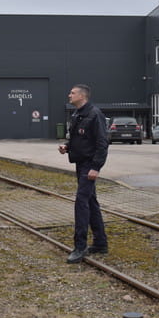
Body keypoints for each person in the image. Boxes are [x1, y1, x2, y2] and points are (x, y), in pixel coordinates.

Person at [58, 84, 109, 263]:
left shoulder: (95, 114)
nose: (69, 95)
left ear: (82, 96)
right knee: (91, 202)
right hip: (80, 163)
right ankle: (100, 243)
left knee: (81, 202)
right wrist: (67, 146)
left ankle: (80, 247)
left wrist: (96, 167)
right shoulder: (77, 114)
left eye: (72, 93)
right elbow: (78, 139)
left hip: (89, 165)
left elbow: (102, 143)